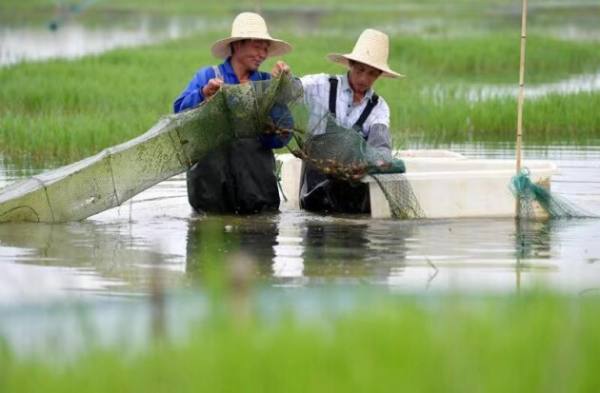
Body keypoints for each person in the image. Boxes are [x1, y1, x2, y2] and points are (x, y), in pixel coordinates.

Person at [173, 12, 293, 215]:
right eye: (257, 46)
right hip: (210, 195)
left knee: (259, 242)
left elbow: (284, 134)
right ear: (237, 45)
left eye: (265, 49)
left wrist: (277, 93)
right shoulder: (209, 76)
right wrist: (204, 94)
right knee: (210, 239)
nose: (262, 54)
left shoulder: (266, 84)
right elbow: (179, 112)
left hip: (257, 195)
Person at [298, 28, 403, 214]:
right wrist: (283, 77)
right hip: (313, 192)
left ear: (378, 75)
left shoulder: (378, 108)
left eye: (371, 73)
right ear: (350, 64)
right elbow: (291, 89)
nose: (363, 78)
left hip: (351, 194)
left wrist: (373, 161)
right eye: (360, 70)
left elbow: (380, 145)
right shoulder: (319, 86)